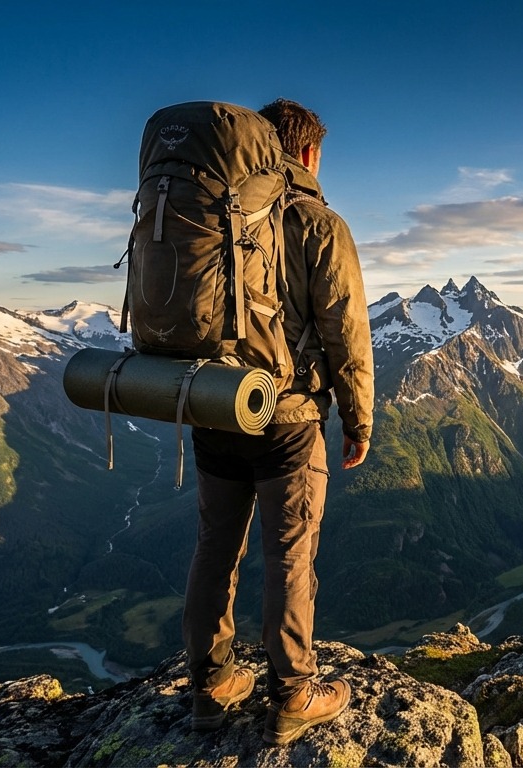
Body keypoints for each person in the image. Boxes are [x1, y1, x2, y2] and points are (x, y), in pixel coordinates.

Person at [182, 98, 374, 745]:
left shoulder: (214, 219)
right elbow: (346, 331)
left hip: (215, 409)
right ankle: (293, 692)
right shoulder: (319, 224)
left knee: (216, 548)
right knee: (289, 556)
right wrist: (359, 418)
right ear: (310, 153)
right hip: (288, 419)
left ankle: (211, 684)